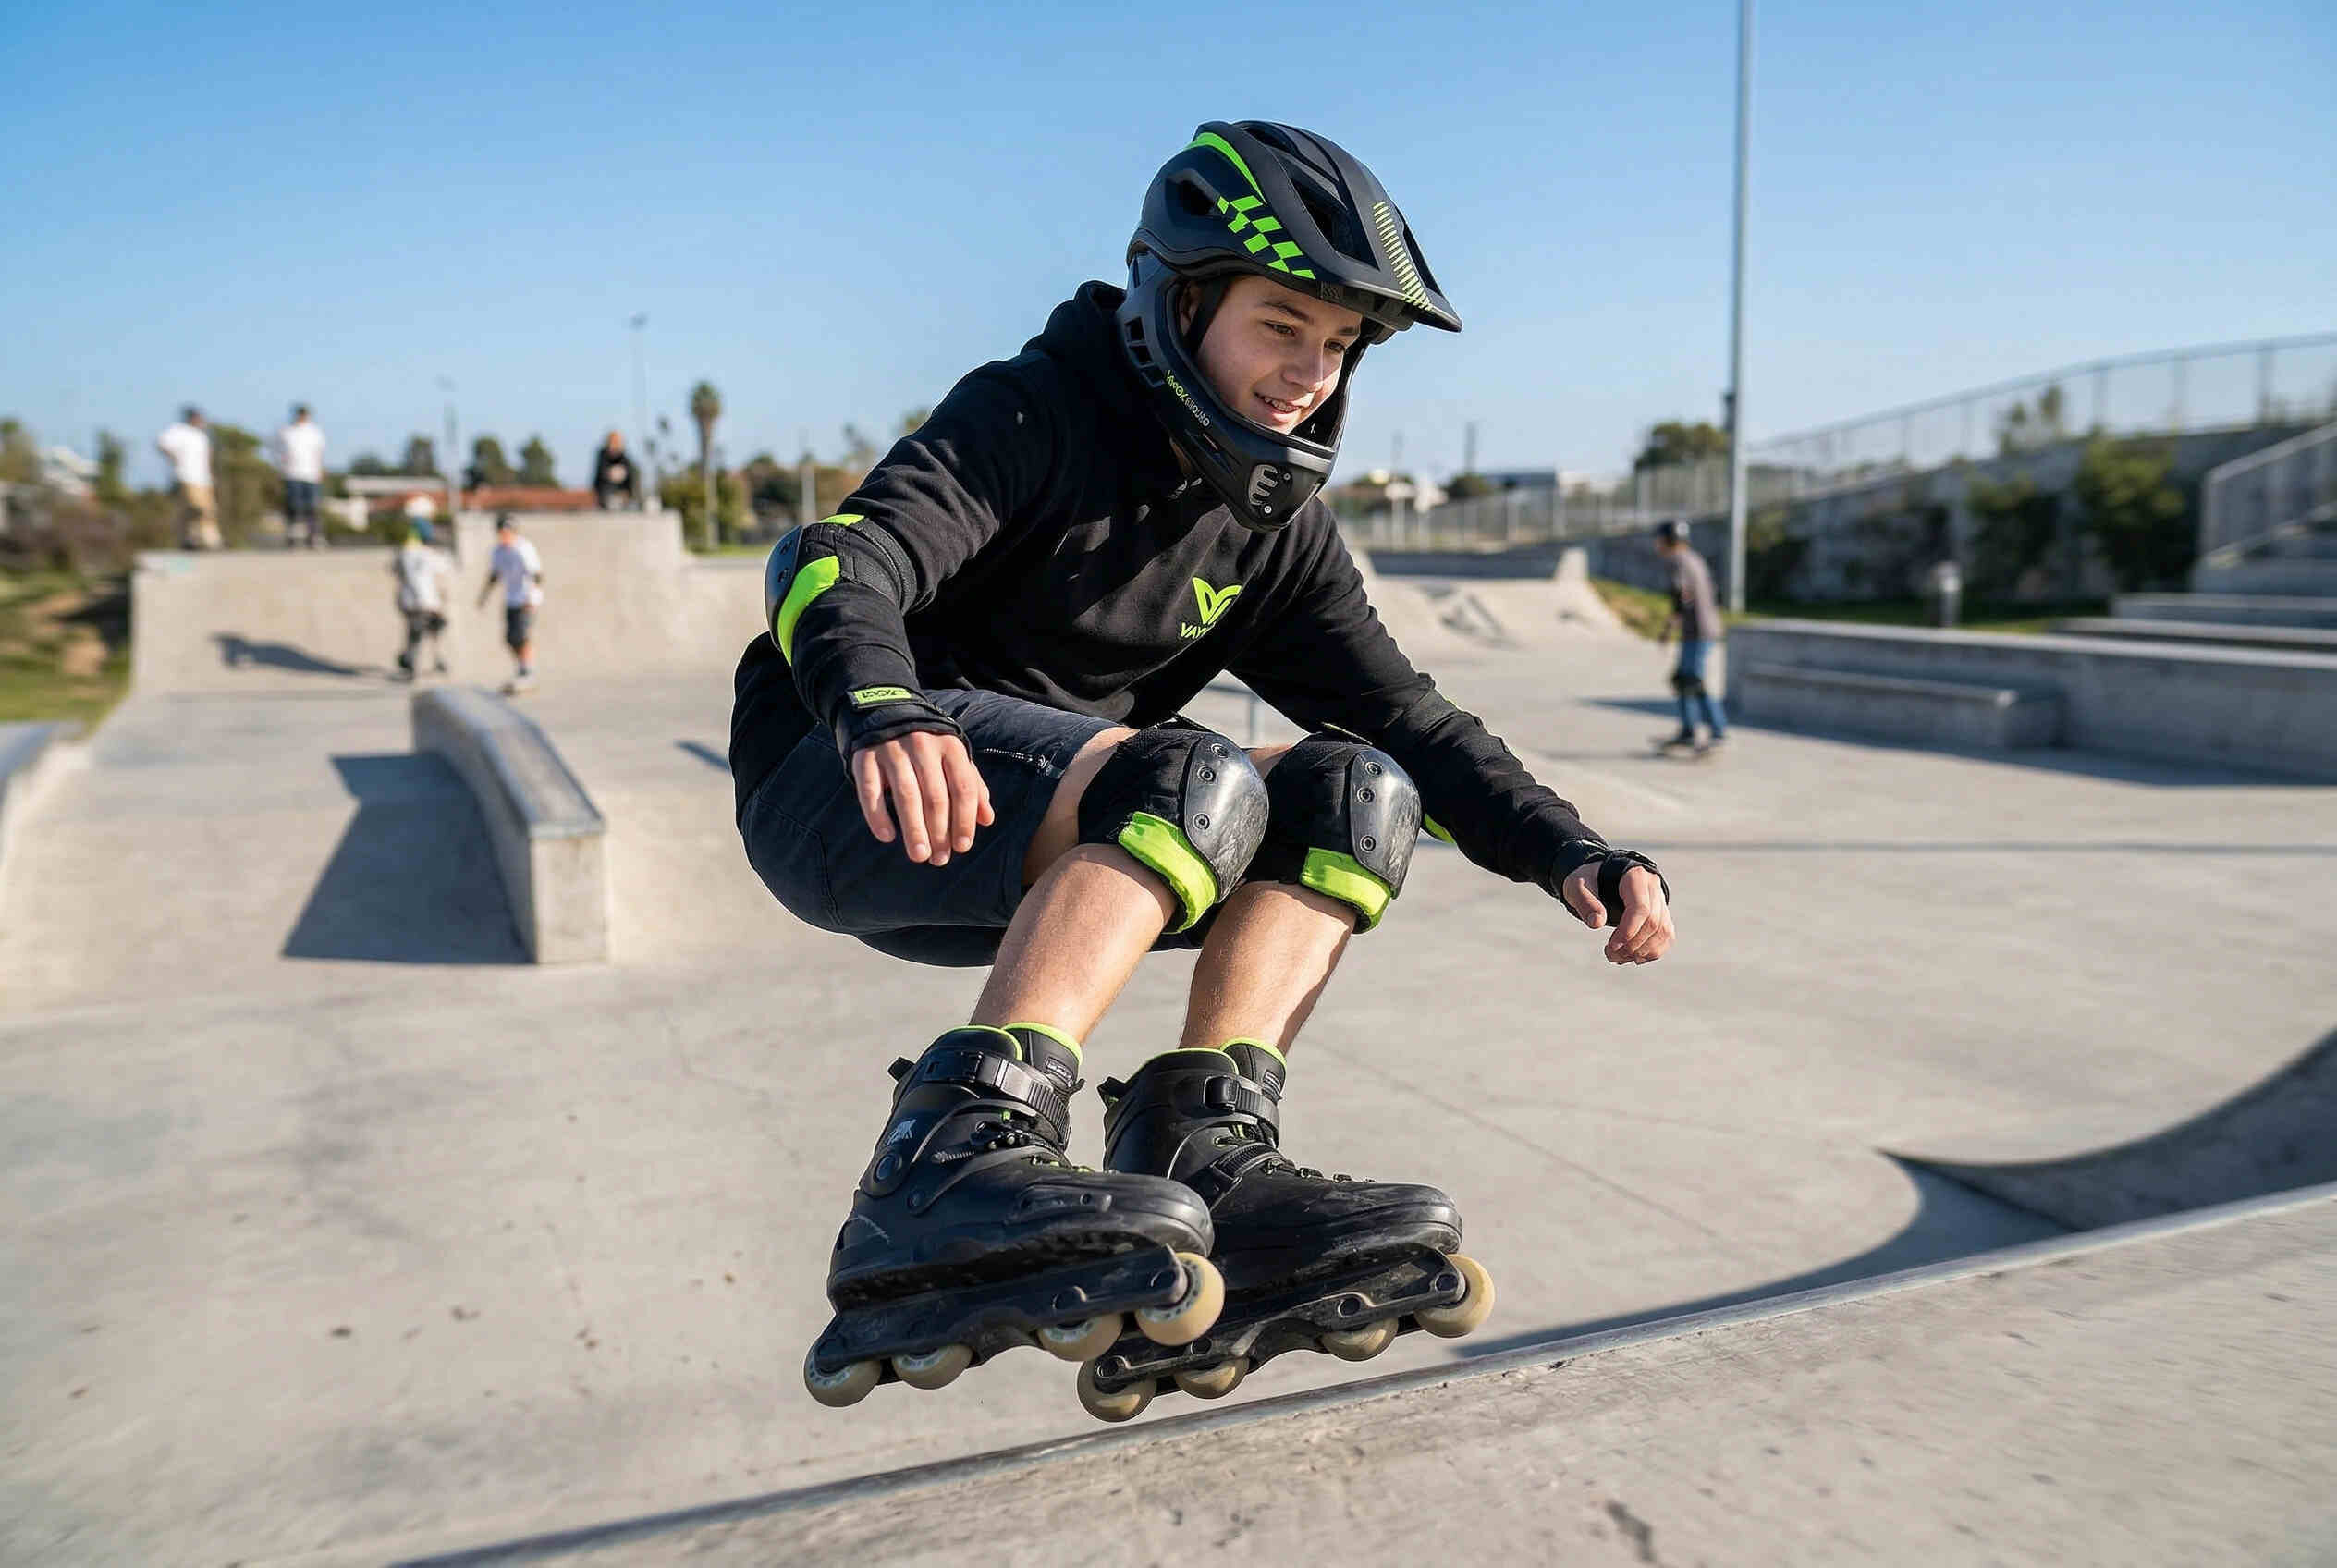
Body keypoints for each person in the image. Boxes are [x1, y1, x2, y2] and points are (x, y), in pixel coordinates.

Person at [733, 121, 1674, 1419]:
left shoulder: (1272, 530)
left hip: (1044, 840)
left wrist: (1572, 846)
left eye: (1337, 347)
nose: (1308, 373)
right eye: (1281, 326)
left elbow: (1409, 716)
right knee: (1188, 778)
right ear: (1185, 305)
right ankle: (949, 1162)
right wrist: (882, 709)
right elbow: (837, 560)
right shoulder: (1039, 406)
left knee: (1356, 791)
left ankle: (1209, 1154)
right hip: (838, 785)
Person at [1653, 519, 1728, 755]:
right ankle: (1688, 731)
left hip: (1699, 631)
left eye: (1659, 540)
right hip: (1702, 628)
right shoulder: (1695, 558)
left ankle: (1717, 732)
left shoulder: (1678, 561)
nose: (1657, 546)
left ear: (1669, 541)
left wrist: (1667, 629)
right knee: (1684, 679)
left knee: (1692, 680)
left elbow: (1681, 599)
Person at [477, 514, 544, 692]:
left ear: (514, 532)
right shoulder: (497, 551)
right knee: (510, 639)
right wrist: (484, 596)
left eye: (508, 533)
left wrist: (533, 597)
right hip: (511, 599)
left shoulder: (524, 548)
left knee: (522, 635)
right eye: (501, 533)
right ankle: (523, 668)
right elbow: (495, 575)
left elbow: (536, 574)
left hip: (526, 598)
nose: (504, 536)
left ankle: (528, 672)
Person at [391, 519, 452, 679]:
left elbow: (394, 570)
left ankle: (418, 661)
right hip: (428, 601)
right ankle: (418, 663)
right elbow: (444, 570)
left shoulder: (403, 553)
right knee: (429, 631)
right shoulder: (429, 554)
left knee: (415, 632)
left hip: (409, 601)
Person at [156, 406, 218, 549]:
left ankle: (205, 540)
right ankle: (195, 540)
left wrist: (211, 473)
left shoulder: (201, 435)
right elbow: (161, 443)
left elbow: (207, 455)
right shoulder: (178, 431)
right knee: (196, 508)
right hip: (186, 476)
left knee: (208, 510)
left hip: (203, 478)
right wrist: (173, 458)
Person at [273, 405, 327, 548]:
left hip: (311, 473)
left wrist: (320, 470)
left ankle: (314, 537)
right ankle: (293, 537)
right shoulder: (285, 431)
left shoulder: (315, 432)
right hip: (292, 473)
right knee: (293, 506)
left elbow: (319, 452)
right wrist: (280, 466)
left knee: (312, 507)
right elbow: (276, 451)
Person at [592, 431, 641, 510]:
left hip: (621, 490)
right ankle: (607, 502)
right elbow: (600, 473)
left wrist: (622, 473)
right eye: (613, 442)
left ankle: (630, 500)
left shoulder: (623, 456)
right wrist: (610, 473)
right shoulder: (602, 454)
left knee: (635, 474)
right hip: (605, 490)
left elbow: (631, 472)